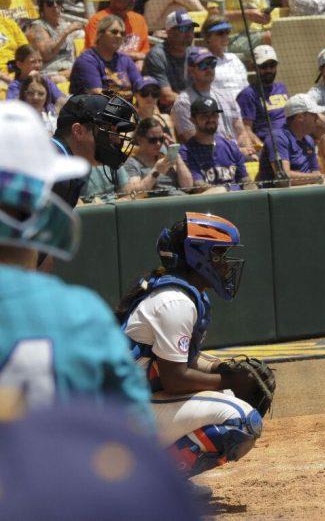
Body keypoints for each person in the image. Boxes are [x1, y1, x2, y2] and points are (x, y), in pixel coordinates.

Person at [0, 100, 152, 424]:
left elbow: (42, 252)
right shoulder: (50, 164)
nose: (114, 138)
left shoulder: (71, 170)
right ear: (79, 131)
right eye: (107, 130)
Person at [116, 212, 265, 490]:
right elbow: (175, 379)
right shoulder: (175, 301)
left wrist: (220, 370)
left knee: (227, 393)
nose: (225, 264)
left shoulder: (184, 294)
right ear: (199, 256)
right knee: (241, 421)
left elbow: (184, 361)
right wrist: (230, 381)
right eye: (219, 255)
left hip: (129, 404)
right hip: (121, 414)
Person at [50, 91, 137, 212]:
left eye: (116, 133)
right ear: (78, 131)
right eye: (108, 131)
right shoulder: (53, 168)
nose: (117, 140)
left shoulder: (68, 167)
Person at [170, 48, 246, 146]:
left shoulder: (226, 94)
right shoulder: (183, 102)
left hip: (236, 152)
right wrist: (231, 149)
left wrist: (239, 150)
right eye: (203, 65)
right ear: (191, 70)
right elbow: (194, 140)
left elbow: (242, 132)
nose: (209, 69)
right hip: (208, 156)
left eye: (212, 63)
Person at [178, 96, 249, 189]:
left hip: (238, 199)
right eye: (204, 116)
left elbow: (245, 180)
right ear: (193, 120)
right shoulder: (186, 151)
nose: (210, 119)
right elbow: (198, 187)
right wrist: (225, 192)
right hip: (211, 201)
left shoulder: (231, 146)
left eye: (214, 115)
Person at [256, 92, 322, 186]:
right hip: (283, 196)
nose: (318, 118)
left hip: (307, 190)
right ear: (300, 117)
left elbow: (316, 172)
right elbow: (284, 177)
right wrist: (316, 178)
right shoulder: (278, 138)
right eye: (314, 115)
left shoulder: (308, 140)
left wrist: (316, 178)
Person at [70, 15, 142, 100]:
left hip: (122, 110)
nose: (119, 36)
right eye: (114, 32)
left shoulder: (125, 60)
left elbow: (141, 87)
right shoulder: (87, 60)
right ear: (100, 34)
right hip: (94, 111)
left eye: (122, 34)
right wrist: (130, 93)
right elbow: (98, 95)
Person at [83, 0, 150, 64]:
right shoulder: (98, 20)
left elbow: (145, 52)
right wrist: (135, 56)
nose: (132, 0)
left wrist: (140, 62)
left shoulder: (139, 20)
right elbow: (99, 54)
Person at [236, 44, 287, 153]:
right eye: (263, 66)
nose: (269, 70)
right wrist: (264, 148)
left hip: (289, 140)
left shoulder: (282, 87)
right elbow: (246, 129)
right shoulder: (248, 94)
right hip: (271, 146)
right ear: (253, 66)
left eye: (272, 65)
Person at [122, 116, 192, 196]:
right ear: (140, 140)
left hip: (182, 199)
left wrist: (176, 154)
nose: (158, 144)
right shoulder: (132, 163)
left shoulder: (166, 158)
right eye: (153, 140)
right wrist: (156, 171)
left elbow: (188, 186)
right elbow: (134, 193)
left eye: (161, 139)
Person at [143, 9, 194, 109]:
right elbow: (166, 98)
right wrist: (198, 103)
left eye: (190, 28)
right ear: (169, 32)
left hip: (190, 107)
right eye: (183, 29)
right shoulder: (157, 55)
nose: (188, 33)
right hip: (164, 111)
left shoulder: (194, 53)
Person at [26, 0, 81, 80]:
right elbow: (46, 55)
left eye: (58, 2)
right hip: (52, 73)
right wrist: (66, 32)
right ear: (42, 7)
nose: (55, 6)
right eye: (50, 3)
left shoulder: (63, 24)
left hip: (70, 69)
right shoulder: (38, 27)